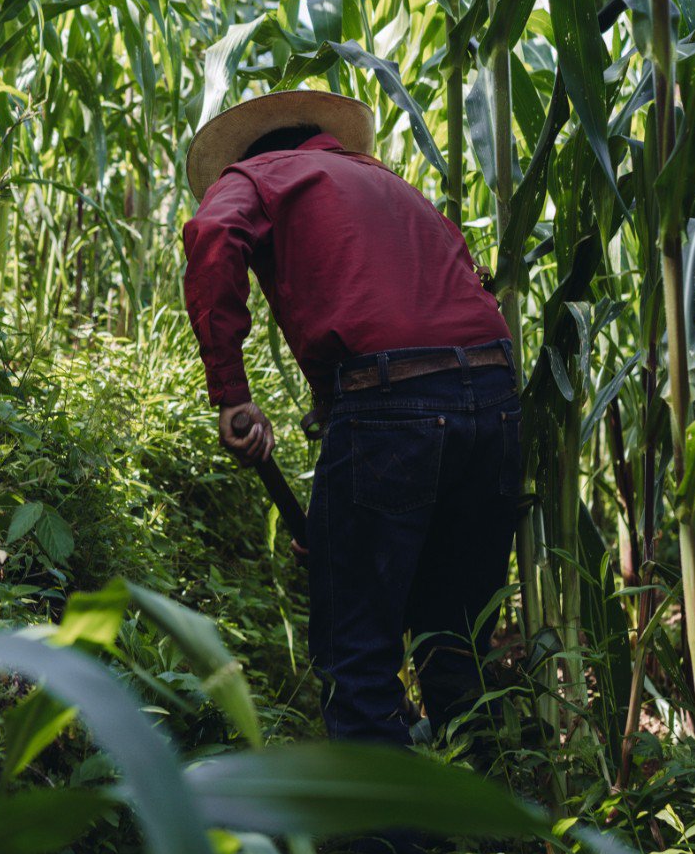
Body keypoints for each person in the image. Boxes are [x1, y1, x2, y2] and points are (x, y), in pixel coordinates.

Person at [180, 88, 524, 747]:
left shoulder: (253, 177)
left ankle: (384, 851)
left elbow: (214, 233)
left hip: (392, 408)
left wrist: (229, 392)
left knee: (356, 657)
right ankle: (498, 833)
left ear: (247, 154)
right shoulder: (390, 184)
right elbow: (455, 293)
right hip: (493, 395)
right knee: (458, 643)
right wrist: (344, 518)